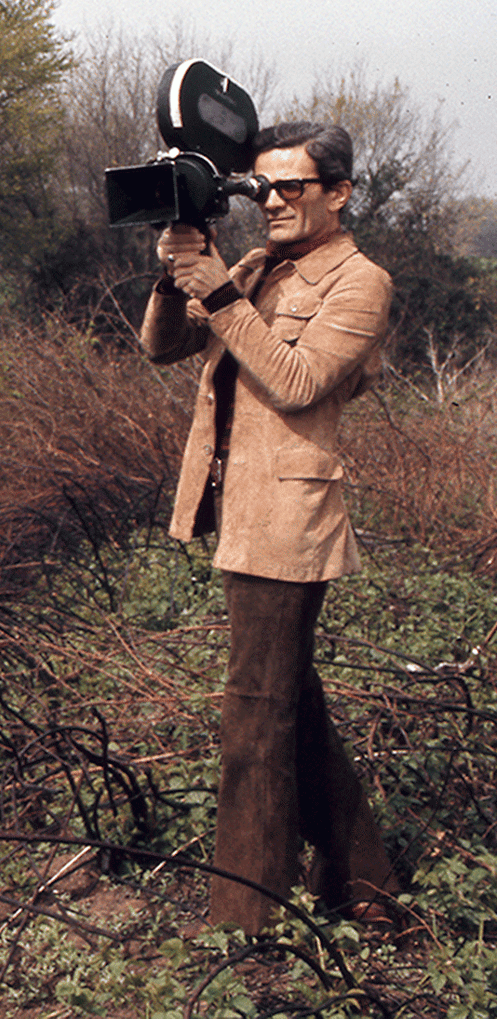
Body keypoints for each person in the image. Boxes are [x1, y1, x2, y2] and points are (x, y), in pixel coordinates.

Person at [141, 120, 399, 934]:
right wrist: (175, 276)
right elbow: (164, 348)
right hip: (239, 508)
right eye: (263, 187)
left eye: (294, 186)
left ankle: (245, 919)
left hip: (290, 518)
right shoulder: (256, 267)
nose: (274, 201)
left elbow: (296, 382)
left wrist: (218, 291)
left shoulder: (360, 282)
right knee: (291, 702)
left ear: (340, 193)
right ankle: (369, 884)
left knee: (255, 713)